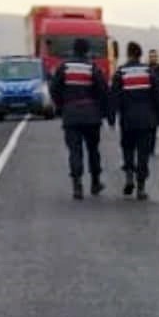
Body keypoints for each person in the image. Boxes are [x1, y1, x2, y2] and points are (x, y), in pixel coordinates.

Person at [49, 38, 111, 199]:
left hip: (71, 115)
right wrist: (103, 111)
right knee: (93, 150)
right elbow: (103, 91)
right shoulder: (92, 68)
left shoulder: (64, 67)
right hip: (91, 115)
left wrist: (60, 105)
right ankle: (95, 182)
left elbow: (54, 88)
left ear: (73, 50)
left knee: (74, 151)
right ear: (87, 51)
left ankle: (77, 184)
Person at [113, 42, 159, 199]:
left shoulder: (121, 72)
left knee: (128, 148)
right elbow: (158, 96)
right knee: (143, 154)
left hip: (128, 119)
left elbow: (114, 95)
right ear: (140, 54)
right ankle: (141, 187)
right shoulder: (149, 72)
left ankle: (129, 175)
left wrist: (111, 115)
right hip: (147, 120)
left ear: (128, 54)